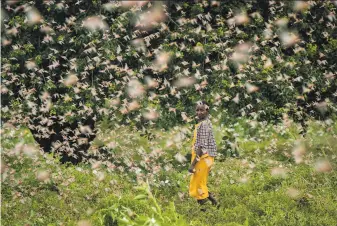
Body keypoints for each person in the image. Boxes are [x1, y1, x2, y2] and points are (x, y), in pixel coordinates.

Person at [188, 101, 218, 209]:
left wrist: (192, 164)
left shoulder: (204, 125)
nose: (199, 112)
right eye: (197, 110)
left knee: (198, 184)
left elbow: (202, 146)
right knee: (200, 182)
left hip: (203, 157)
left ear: (207, 110)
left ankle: (204, 212)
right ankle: (215, 203)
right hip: (204, 157)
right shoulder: (203, 123)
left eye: (202, 110)